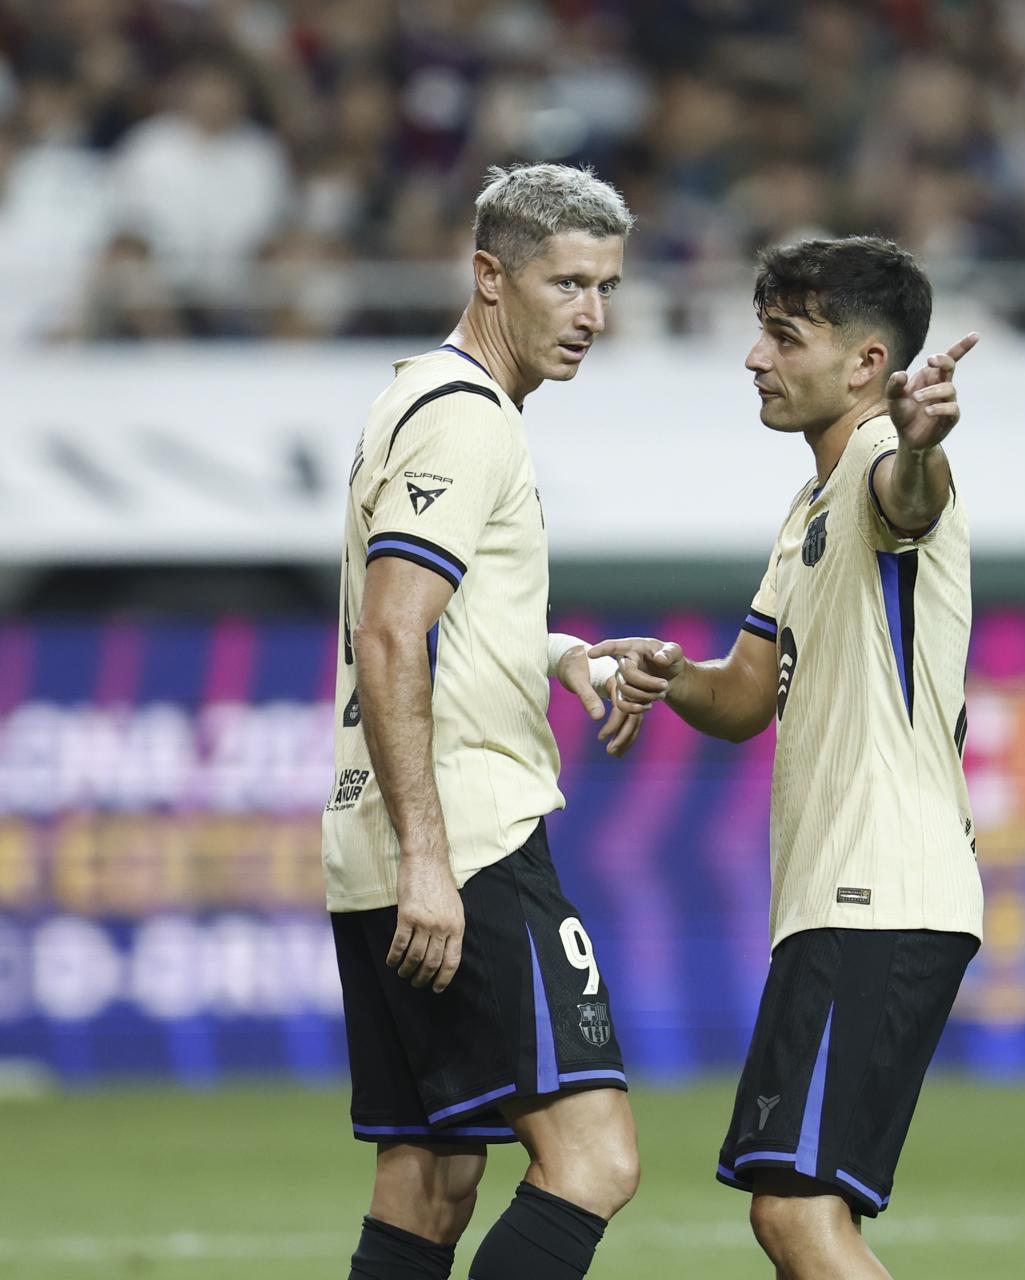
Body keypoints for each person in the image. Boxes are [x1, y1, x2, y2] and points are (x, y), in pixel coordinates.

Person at [594, 236, 982, 1280]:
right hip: (839, 894)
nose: (755, 358)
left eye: (783, 335)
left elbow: (913, 496)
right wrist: (670, 671)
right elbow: (745, 696)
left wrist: (918, 441)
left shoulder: (873, 465)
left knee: (797, 1212)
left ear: (867, 363)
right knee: (796, 1210)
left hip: (881, 883)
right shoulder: (805, 509)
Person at [323, 162, 646, 1280]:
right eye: (567, 283)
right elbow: (389, 631)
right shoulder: (470, 422)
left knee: (431, 1174)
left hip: (384, 837)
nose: (592, 315)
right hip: (464, 836)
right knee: (594, 1156)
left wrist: (561, 655)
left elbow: (431, 616)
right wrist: (432, 857)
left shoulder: (413, 397)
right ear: (490, 276)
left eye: (605, 286)